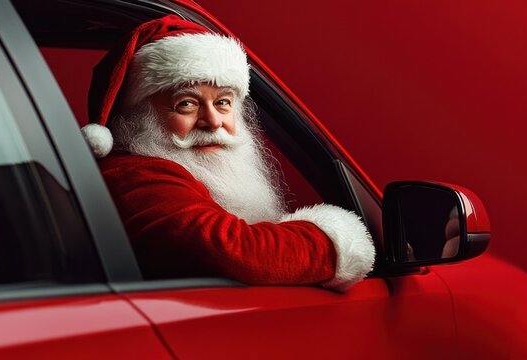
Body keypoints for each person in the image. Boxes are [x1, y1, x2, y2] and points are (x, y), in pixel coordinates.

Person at [79, 15, 374, 291]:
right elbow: (230, 249)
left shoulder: (182, 169)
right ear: (140, 117)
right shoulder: (133, 175)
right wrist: (335, 241)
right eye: (186, 104)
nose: (213, 121)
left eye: (222, 103)